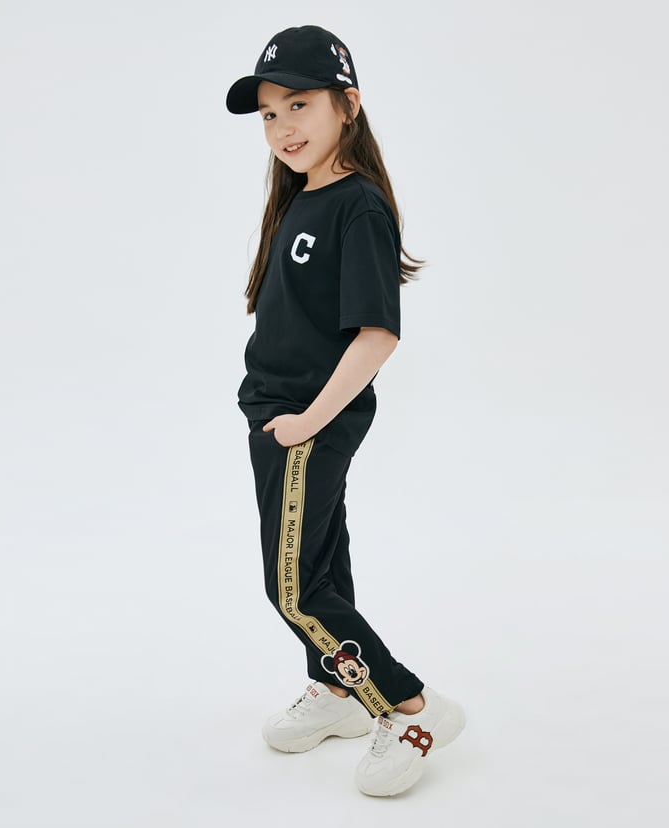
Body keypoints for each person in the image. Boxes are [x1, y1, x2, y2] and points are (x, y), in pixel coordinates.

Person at [226, 24, 465, 797]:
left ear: (348, 105)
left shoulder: (357, 206)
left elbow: (377, 334)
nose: (282, 126)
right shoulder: (301, 198)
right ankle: (336, 689)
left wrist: (307, 423)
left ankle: (410, 708)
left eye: (299, 104)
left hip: (307, 419)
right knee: (321, 561)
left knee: (293, 587)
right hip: (277, 414)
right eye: (269, 113)